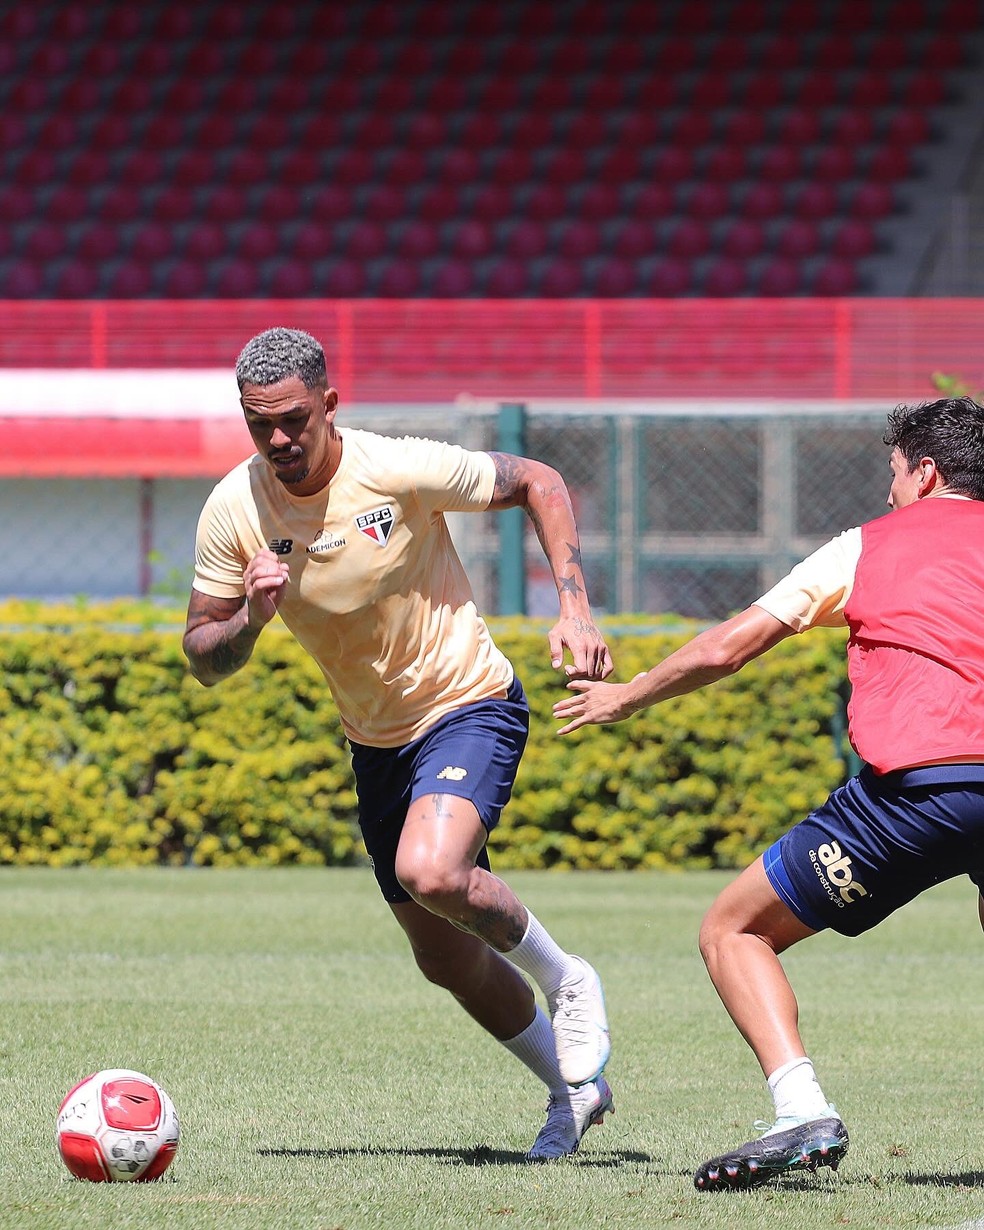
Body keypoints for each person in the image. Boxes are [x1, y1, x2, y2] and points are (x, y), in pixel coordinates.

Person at [182, 326, 615, 1160]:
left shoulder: (393, 467)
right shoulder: (233, 510)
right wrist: (249, 619)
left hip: (468, 702)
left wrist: (574, 607)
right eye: (259, 424)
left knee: (433, 871)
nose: (279, 440)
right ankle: (572, 1093)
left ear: (330, 406)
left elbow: (539, 479)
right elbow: (203, 655)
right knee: (445, 959)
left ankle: (569, 981)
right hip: (376, 745)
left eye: (294, 420)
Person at [553, 395, 984, 1189]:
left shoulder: (867, 546)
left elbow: (731, 645)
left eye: (893, 474)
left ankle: (801, 1110)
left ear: (926, 473)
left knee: (733, 929)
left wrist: (627, 695)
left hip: (924, 789)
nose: (888, 491)